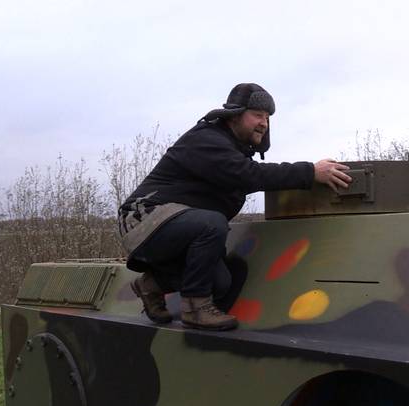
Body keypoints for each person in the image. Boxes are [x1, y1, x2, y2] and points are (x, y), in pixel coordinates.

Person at [118, 83, 351, 331]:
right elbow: (250, 175)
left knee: (220, 282)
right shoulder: (207, 139)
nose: (264, 123)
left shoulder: (233, 151)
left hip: (174, 223)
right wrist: (310, 172)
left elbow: (247, 172)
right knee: (212, 223)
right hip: (143, 216)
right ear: (235, 114)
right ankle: (196, 309)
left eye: (268, 117)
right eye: (257, 115)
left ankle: (151, 285)